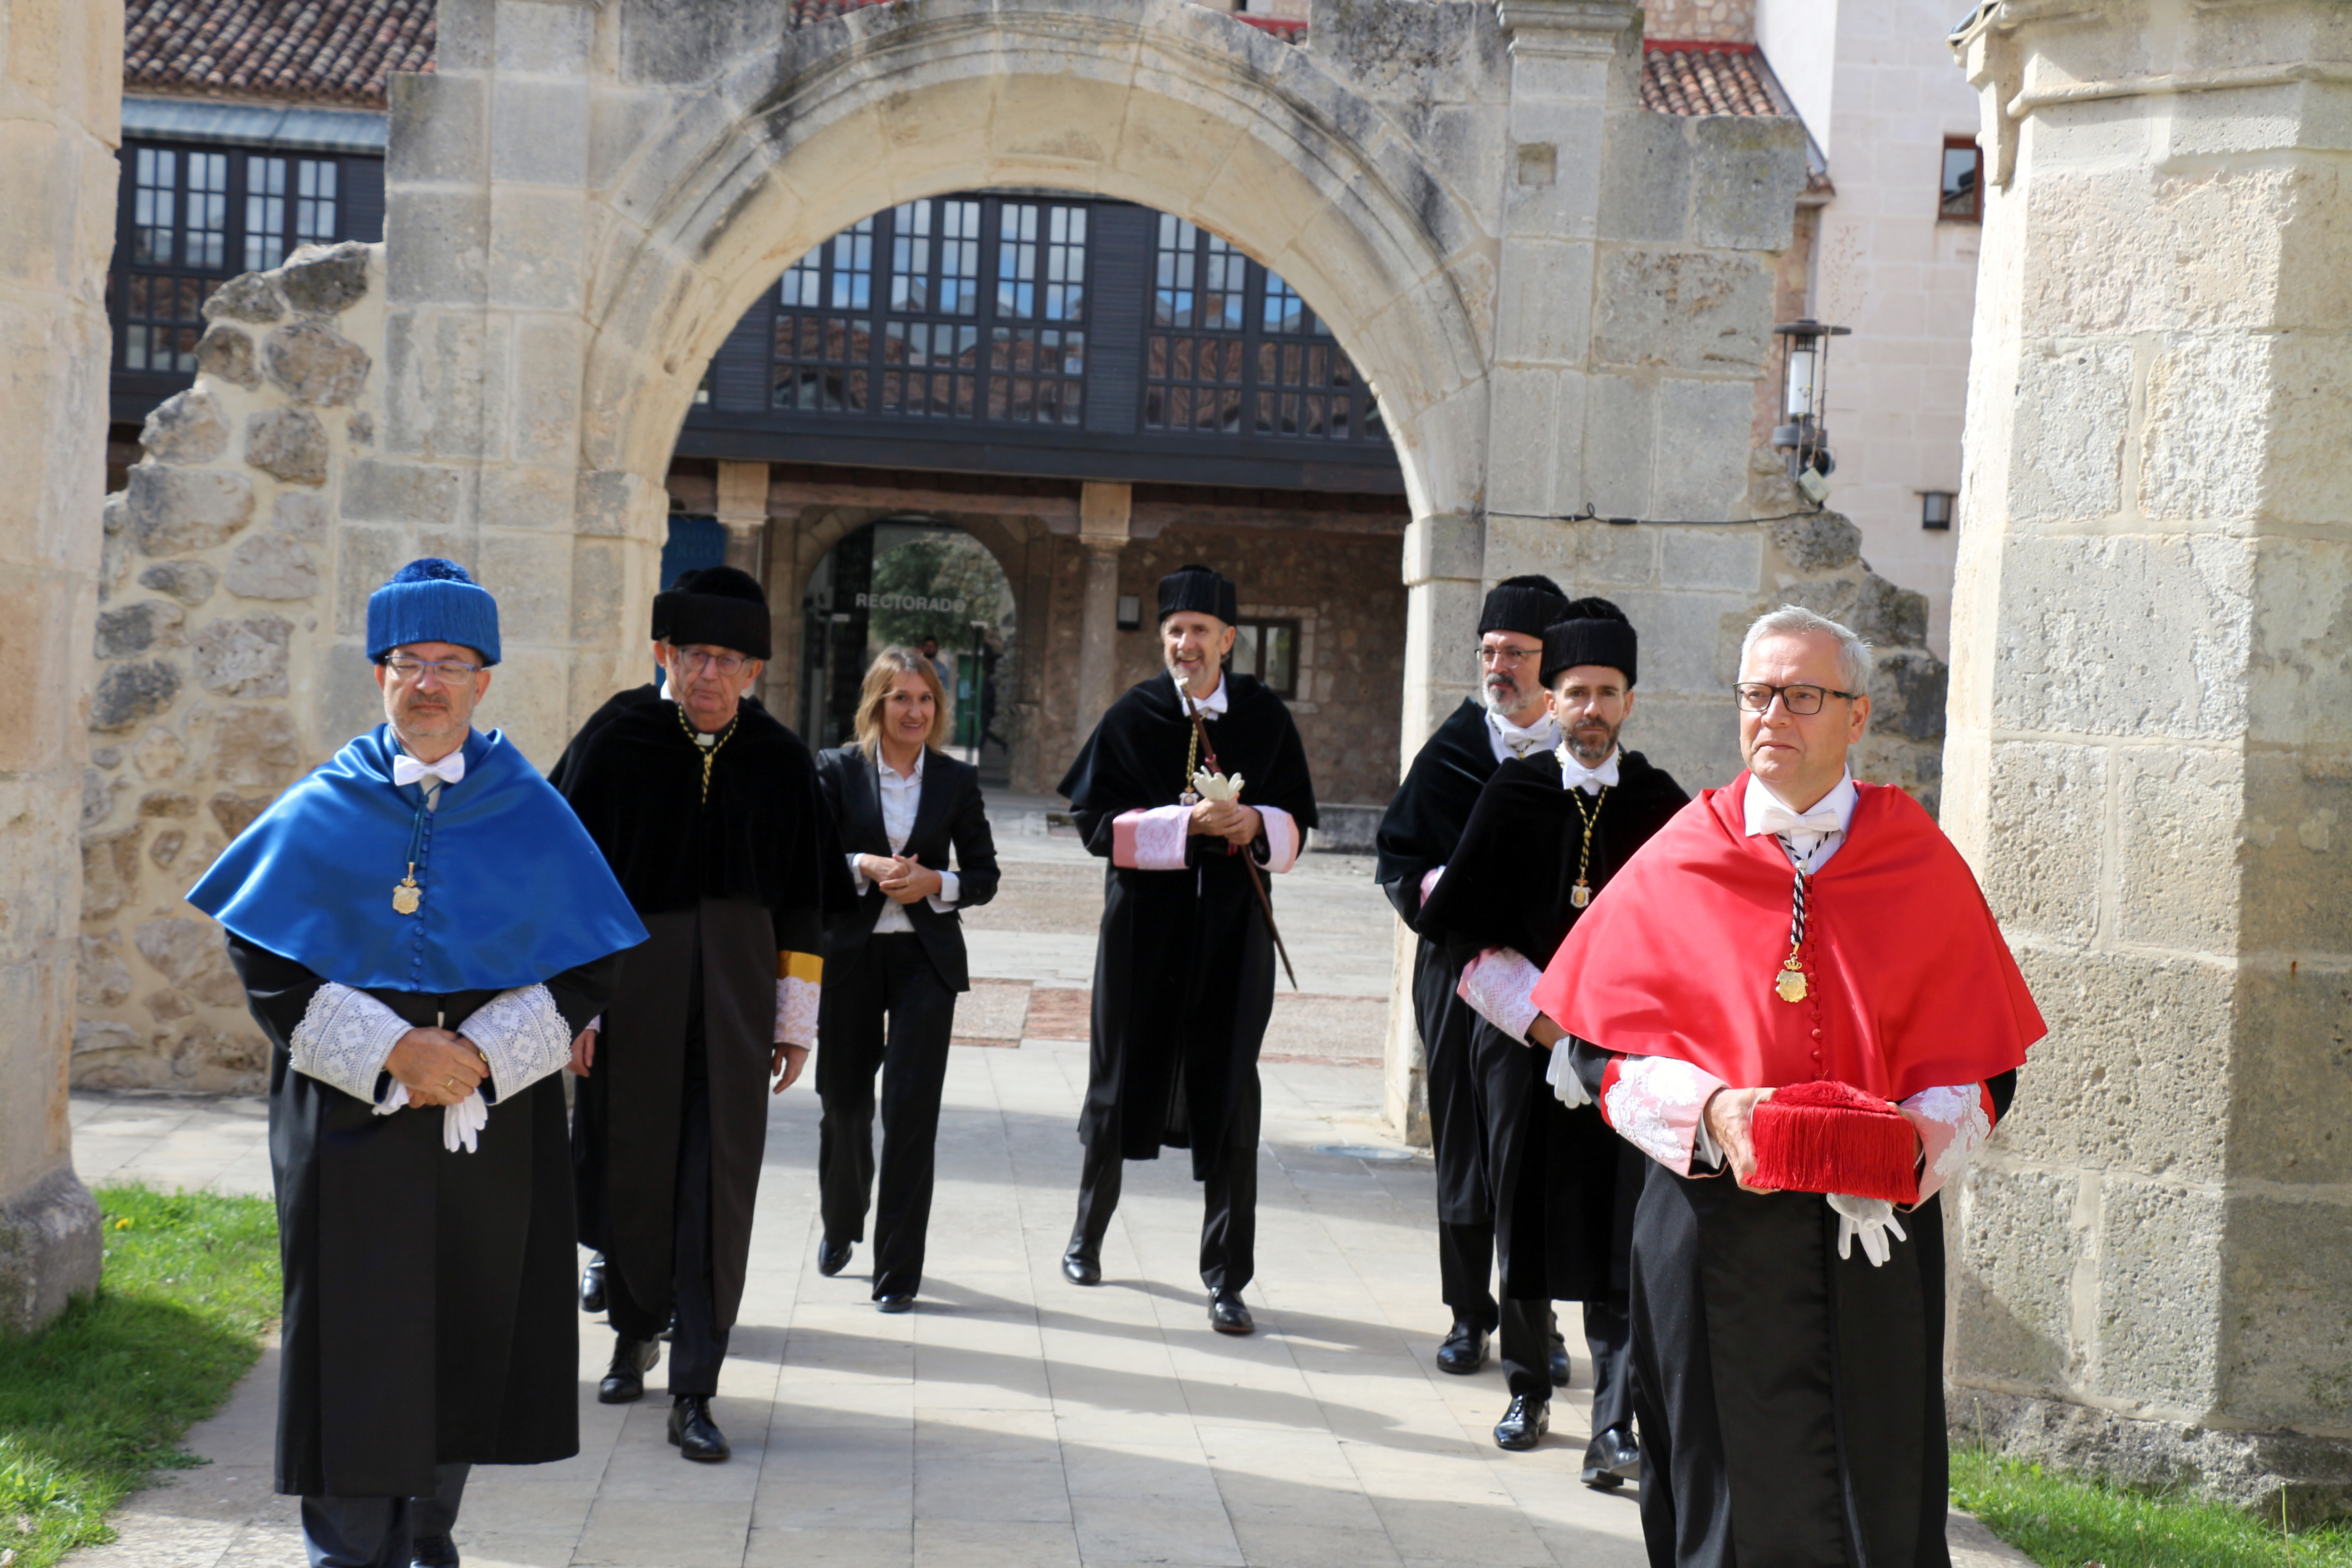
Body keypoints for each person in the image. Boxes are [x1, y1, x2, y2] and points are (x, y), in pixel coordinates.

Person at [1536, 605, 2045, 1566]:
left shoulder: (1919, 860)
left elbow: (1986, 1066)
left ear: (1857, 717)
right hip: (1707, 1225)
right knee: (1711, 1486)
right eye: (1758, 694)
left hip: (1874, 1239)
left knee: (1880, 1486)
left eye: (1803, 695)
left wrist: (1913, 1151)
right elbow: (1594, 1053)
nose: (1774, 714)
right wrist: (1714, 1113)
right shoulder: (1683, 855)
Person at [186, 559, 647, 1568]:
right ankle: (349, 1553)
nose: (428, 683)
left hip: (481, 1121)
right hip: (348, 1123)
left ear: (484, 681)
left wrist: (474, 1055)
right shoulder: (324, 804)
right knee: (351, 1346)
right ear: (380, 676)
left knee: (461, 1337)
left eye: (450, 663)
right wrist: (396, 1049)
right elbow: (263, 957)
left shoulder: (529, 808)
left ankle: (425, 1540)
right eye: (408, 663)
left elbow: (594, 962)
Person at [557, 565, 853, 1464]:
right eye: (695, 656)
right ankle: (634, 1329)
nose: (711, 675)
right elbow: (563, 882)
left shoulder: (781, 758)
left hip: (735, 996)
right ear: (665, 655)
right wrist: (575, 1007)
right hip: (628, 993)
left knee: (717, 1186)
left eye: (729, 659)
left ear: (755, 670)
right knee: (636, 1175)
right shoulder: (615, 740)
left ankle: (697, 1387)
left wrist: (795, 1017)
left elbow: (806, 900)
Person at [1417, 599, 1688, 1474]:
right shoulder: (1513, 794)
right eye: (1576, 692)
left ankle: (1615, 1424)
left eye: (1609, 693)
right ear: (1554, 697)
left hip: (1626, 1058)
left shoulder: (1662, 807)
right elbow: (1461, 938)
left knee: (1623, 1225)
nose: (1592, 710)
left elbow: (1692, 939)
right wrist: (1551, 1028)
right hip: (1520, 1048)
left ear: (1630, 702)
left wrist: (1607, 1037)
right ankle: (1529, 1388)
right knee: (1523, 1217)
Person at [1055, 564, 1318, 1334]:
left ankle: (1227, 1279)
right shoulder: (1134, 716)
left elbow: (1299, 821)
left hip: (1232, 936)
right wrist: (1185, 826)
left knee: (1232, 1091)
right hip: (1143, 933)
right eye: (1175, 632)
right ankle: (1086, 1235)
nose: (1185, 644)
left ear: (1229, 640)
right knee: (1116, 1081)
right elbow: (1093, 824)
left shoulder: (1266, 718)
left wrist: (1254, 824)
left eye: (1200, 632)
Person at [1374, 574, 1570, 1379]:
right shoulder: (1453, 750)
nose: (1500, 667)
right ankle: (1467, 1316)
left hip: (1547, 991)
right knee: (1462, 1144)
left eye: (1518, 654)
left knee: (1539, 1156)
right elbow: (1399, 859)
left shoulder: (1577, 755)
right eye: (1490, 652)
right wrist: (1452, 896)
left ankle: (1541, 1323)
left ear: (1550, 665)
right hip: (1458, 978)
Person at [812, 648, 1002, 1311]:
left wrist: (936, 883)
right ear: (877, 704)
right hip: (851, 957)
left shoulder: (955, 780)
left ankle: (897, 1273)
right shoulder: (835, 770)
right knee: (844, 1105)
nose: (915, 711)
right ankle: (841, 1219)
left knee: (911, 1115)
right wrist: (863, 862)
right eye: (901, 698)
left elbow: (984, 875)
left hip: (926, 962)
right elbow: (807, 859)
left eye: (926, 700)